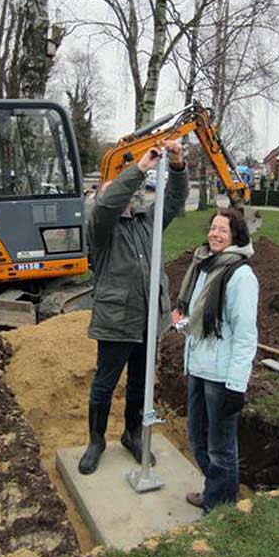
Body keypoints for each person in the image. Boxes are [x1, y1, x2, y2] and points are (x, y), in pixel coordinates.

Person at [79, 140, 189, 475]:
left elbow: (173, 200)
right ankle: (96, 441)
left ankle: (131, 434)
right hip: (116, 320)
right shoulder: (100, 228)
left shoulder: (145, 223)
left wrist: (178, 165)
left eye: (125, 191)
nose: (122, 197)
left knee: (141, 383)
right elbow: (108, 202)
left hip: (147, 321)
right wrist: (139, 168)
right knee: (105, 384)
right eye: (115, 191)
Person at [175, 206, 258, 514]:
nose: (215, 233)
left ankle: (220, 508)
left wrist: (237, 385)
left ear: (236, 236)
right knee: (196, 438)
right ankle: (215, 490)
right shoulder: (205, 266)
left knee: (221, 447)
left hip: (221, 376)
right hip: (198, 367)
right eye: (213, 227)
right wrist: (181, 324)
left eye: (223, 229)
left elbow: (245, 334)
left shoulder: (240, 276)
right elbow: (199, 317)